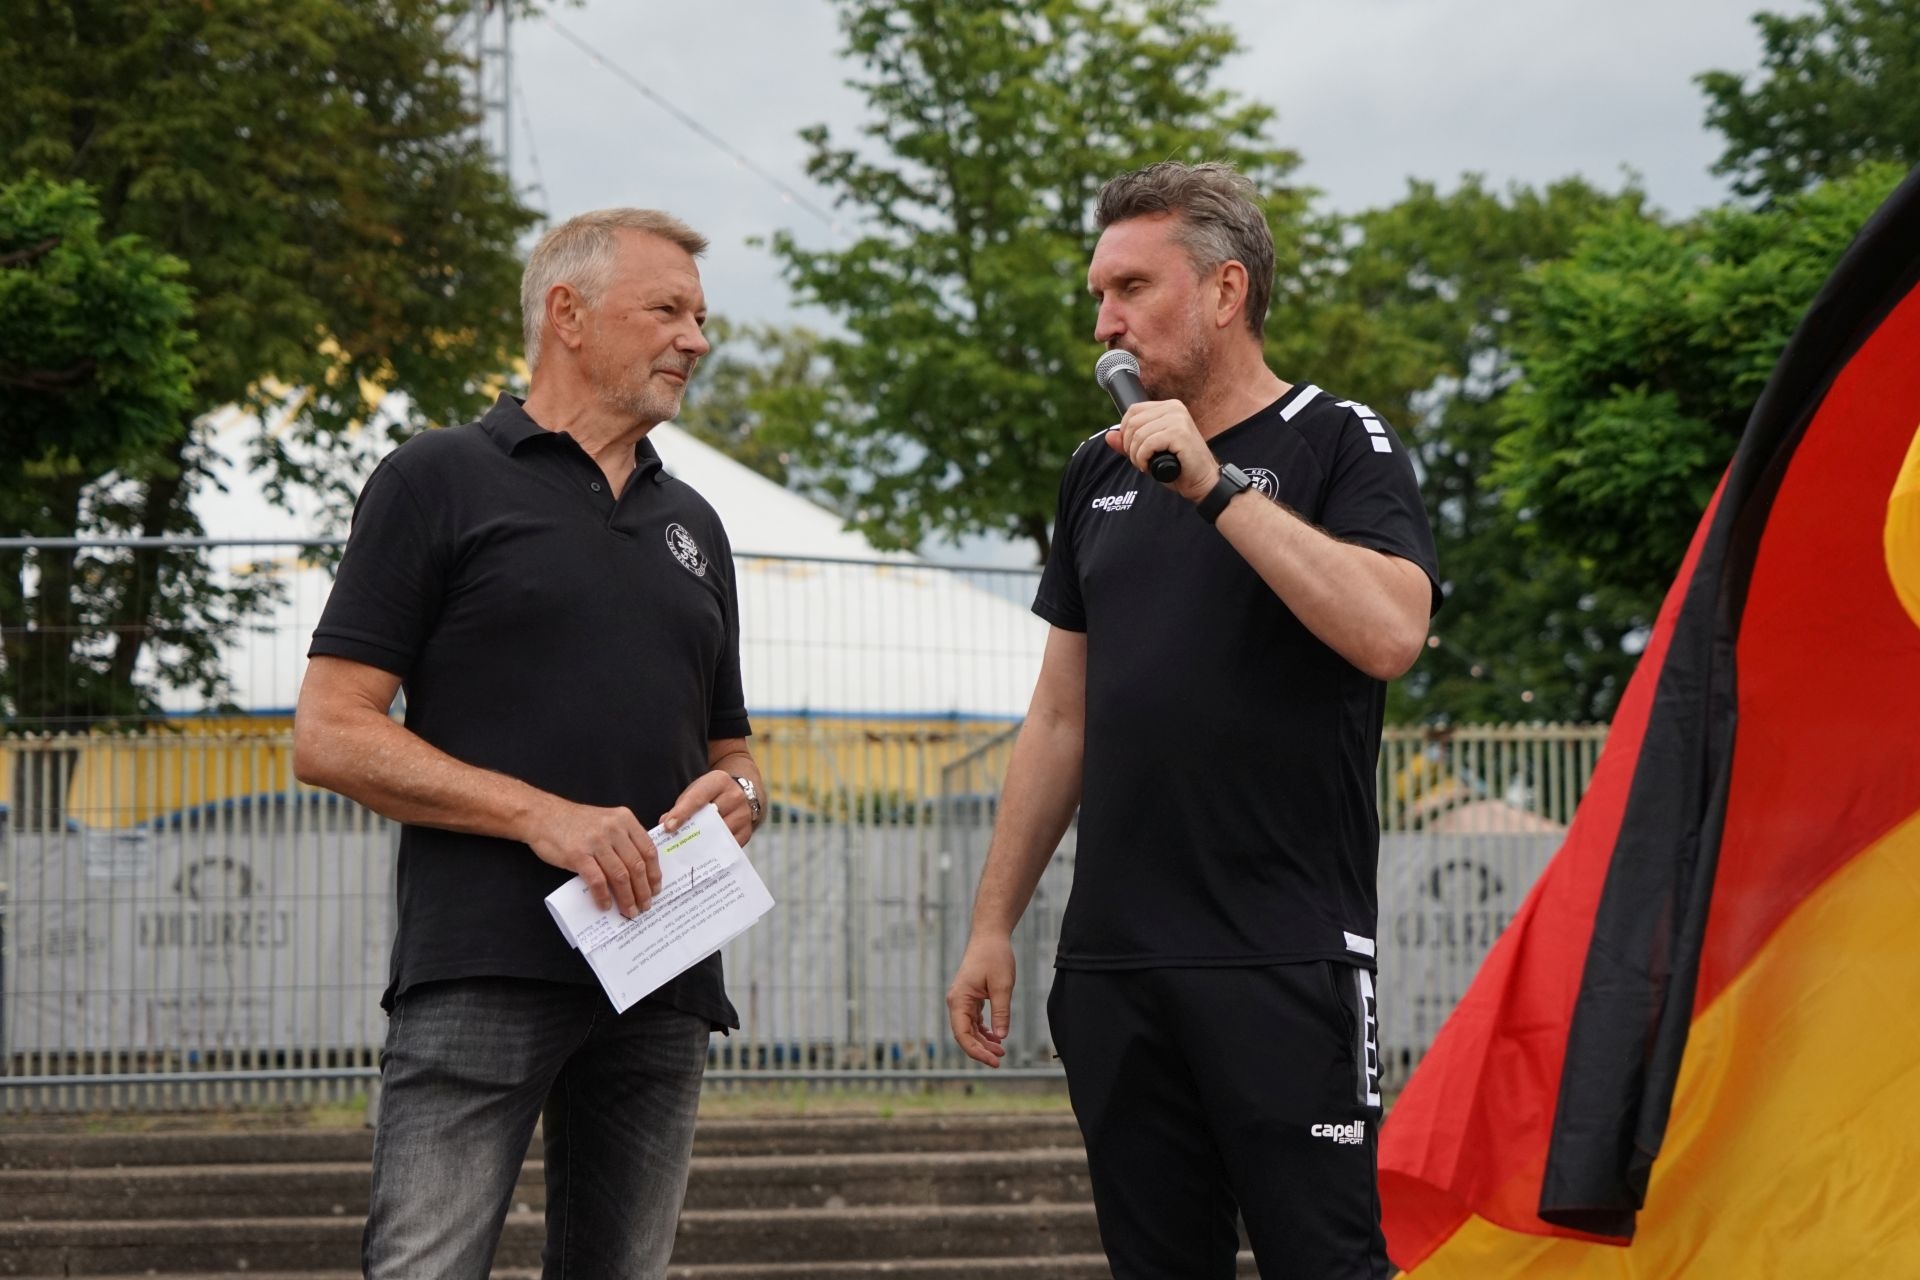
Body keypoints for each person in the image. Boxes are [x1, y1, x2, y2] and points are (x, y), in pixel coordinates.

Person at [945, 162, 1440, 1278]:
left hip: (1283, 953)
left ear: (1225, 291)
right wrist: (992, 923)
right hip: (1116, 965)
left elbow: (1390, 633)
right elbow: (1059, 719)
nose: (1104, 322)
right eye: (1098, 294)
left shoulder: (1338, 439)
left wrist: (1215, 488)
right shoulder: (1095, 472)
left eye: (1131, 288)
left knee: (1328, 1261)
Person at [293, 208, 764, 1279]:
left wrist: (743, 796)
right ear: (568, 314)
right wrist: (545, 818)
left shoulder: (696, 523)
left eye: (701, 316)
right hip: (483, 964)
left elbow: (731, 749)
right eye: (668, 310)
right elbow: (329, 732)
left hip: (662, 970)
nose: (696, 339)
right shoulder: (435, 478)